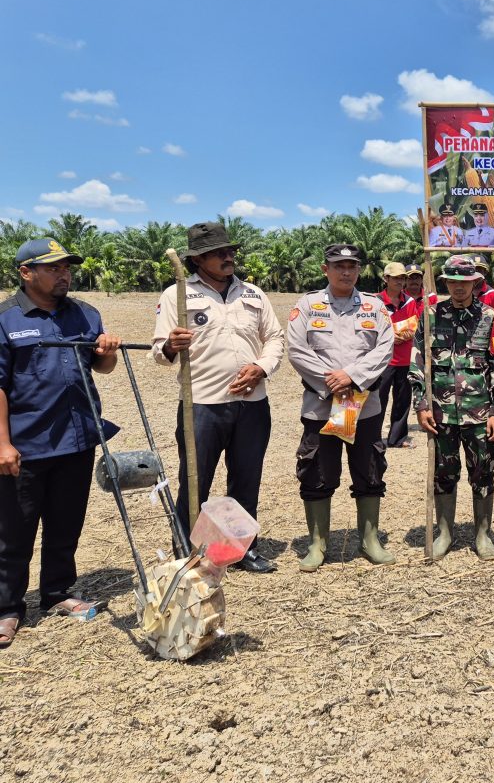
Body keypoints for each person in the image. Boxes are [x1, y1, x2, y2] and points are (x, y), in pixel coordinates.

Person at [0, 239, 122, 649]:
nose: (64, 274)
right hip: (26, 445)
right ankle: (7, 608)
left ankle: (57, 593)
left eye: (66, 267)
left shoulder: (85, 313)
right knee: (13, 531)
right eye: (53, 268)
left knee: (65, 525)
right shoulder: (6, 319)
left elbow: (100, 366)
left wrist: (108, 352)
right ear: (26, 273)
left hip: (76, 438)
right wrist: (2, 444)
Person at [153, 222, 286, 573]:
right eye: (218, 253)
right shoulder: (177, 295)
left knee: (246, 479)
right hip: (202, 406)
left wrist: (261, 367)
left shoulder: (253, 294)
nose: (228, 257)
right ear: (197, 259)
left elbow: (275, 338)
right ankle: (188, 553)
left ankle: (241, 550)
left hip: (252, 406)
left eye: (230, 251)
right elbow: (159, 352)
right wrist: (170, 345)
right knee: (195, 482)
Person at [287, 244, 396, 572]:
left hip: (364, 407)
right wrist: (332, 382)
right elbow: (297, 349)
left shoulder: (374, 307)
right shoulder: (309, 305)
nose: (346, 272)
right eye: (339, 266)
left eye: (352, 266)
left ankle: (369, 539)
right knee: (317, 472)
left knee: (370, 469)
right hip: (321, 407)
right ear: (326, 269)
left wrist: (351, 377)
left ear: (359, 269)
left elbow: (385, 348)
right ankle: (318, 543)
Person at [410, 256, 494, 560]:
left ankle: (483, 534)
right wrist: (421, 404)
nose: (459, 287)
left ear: (475, 282)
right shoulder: (430, 315)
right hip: (440, 412)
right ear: (445, 283)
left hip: (479, 413)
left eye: (465, 282)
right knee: (443, 473)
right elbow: (418, 362)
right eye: (452, 281)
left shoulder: (490, 317)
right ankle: (445, 533)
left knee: (483, 472)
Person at [376, 262, 419, 449]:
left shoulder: (409, 302)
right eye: (395, 278)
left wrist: (404, 333)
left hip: (405, 359)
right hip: (383, 360)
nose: (400, 281)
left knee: (403, 400)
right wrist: (391, 335)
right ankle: (373, 437)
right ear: (386, 279)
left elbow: (414, 326)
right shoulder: (376, 302)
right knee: (378, 399)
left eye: (402, 278)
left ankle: (398, 438)